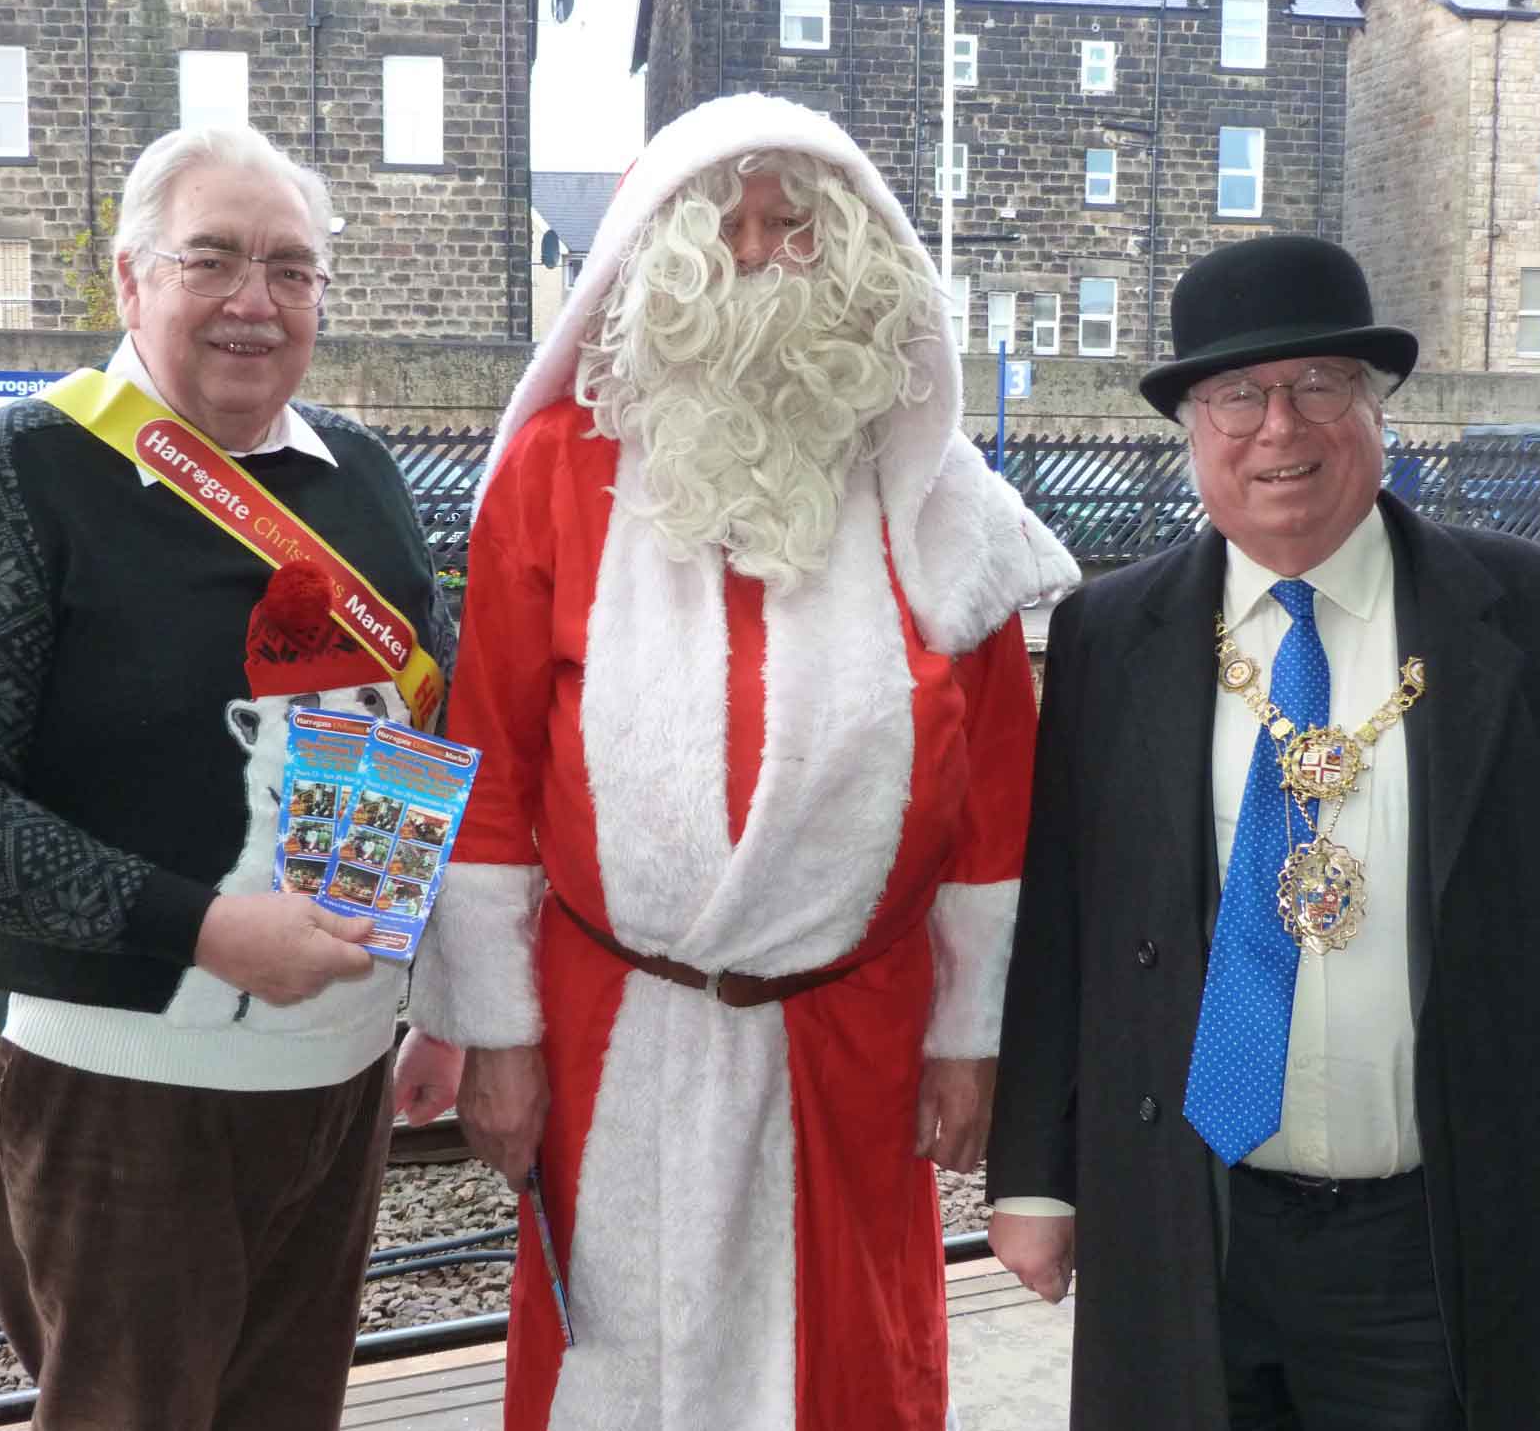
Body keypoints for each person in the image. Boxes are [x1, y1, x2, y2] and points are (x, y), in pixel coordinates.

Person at [392, 91, 1077, 1431]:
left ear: (863, 255)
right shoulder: (551, 469)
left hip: (852, 1035)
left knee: (847, 1371)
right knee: (616, 1372)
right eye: (730, 227)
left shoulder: (937, 496)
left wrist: (966, 1038)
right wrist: (496, 1034)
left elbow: (996, 803)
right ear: (660, 259)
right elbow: (490, 768)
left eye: (796, 226)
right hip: (607, 1023)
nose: (761, 255)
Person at [986, 234, 1540, 1430]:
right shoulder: (1108, 637)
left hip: (1446, 1229)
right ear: (1191, 428)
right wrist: (1035, 1180)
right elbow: (1059, 927)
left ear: (1373, 411)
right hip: (1186, 1223)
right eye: (1235, 395)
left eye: (1318, 384)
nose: (1279, 428)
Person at [0, 125, 454, 1429]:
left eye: (292, 269)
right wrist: (203, 929)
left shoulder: (363, 477)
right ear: (131, 281)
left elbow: (429, 737)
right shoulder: (23, 472)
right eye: (214, 259)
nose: (256, 300)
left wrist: (446, 995)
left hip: (337, 1077)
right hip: (122, 1087)